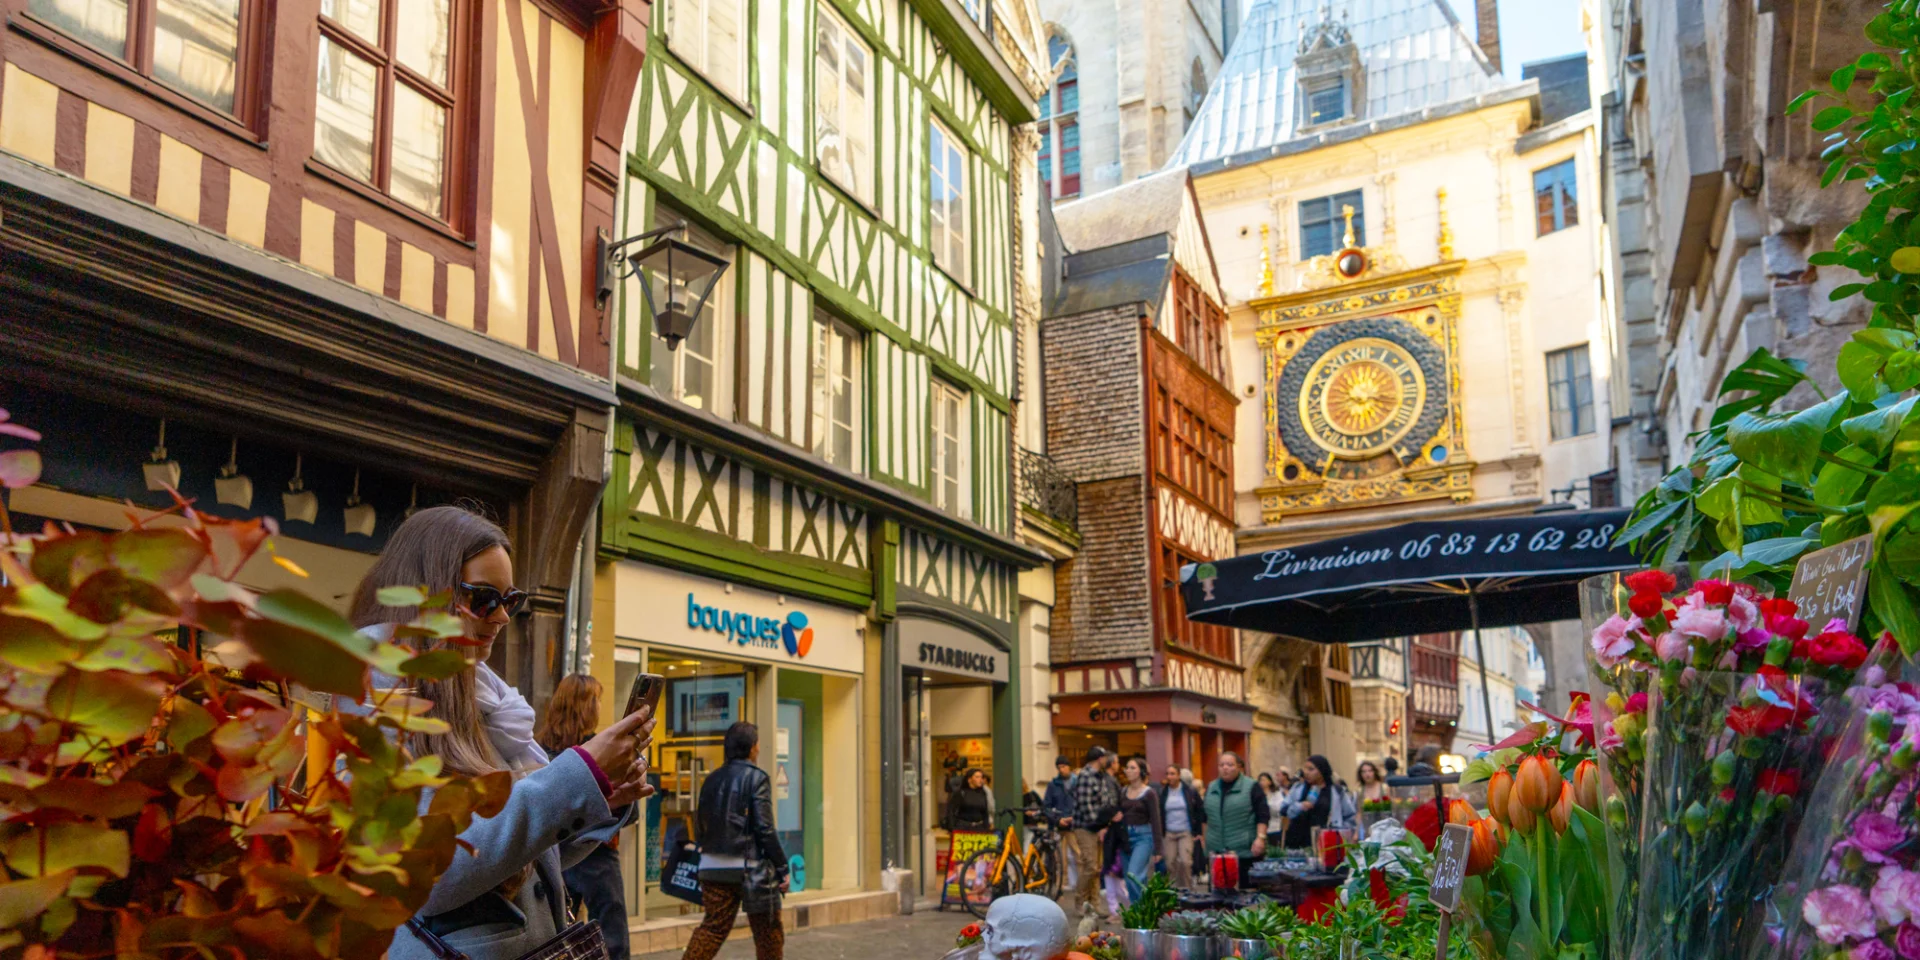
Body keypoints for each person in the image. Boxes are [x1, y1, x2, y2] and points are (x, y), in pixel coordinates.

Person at [352, 506, 651, 960]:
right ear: (429, 593)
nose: (502, 616)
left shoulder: (486, 700)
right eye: (484, 598)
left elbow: (521, 860)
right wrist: (578, 775)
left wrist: (602, 798)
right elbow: (425, 874)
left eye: (510, 600)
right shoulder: (375, 687)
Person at [534, 673, 629, 960]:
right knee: (612, 933)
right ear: (586, 705)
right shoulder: (597, 749)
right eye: (597, 699)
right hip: (595, 852)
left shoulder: (538, 747)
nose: (600, 706)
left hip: (552, 854)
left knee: (561, 935)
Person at [682, 722, 789, 960]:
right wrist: (782, 867)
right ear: (752, 748)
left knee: (712, 929)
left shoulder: (710, 780)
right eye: (758, 743)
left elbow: (700, 823)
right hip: (750, 870)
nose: (759, 748)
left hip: (712, 868)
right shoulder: (757, 778)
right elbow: (764, 828)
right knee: (768, 934)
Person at [1065, 747, 1121, 922]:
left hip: (1098, 826)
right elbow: (1085, 805)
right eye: (1104, 757)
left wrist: (1105, 822)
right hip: (1086, 827)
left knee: (1097, 867)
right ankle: (1080, 902)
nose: (1106, 760)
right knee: (1089, 865)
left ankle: (1095, 904)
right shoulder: (1086, 776)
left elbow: (1104, 800)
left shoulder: (1099, 776)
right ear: (1099, 758)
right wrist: (1102, 822)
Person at [1201, 752, 1268, 873]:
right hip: (1216, 852)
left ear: (1239, 767)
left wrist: (1260, 838)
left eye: (1230, 765)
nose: (1225, 768)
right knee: (1218, 889)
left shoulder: (1252, 786)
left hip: (1244, 851)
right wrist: (1205, 842)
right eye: (1221, 765)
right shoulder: (1211, 787)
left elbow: (1262, 815)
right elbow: (1205, 817)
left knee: (1245, 890)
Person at [1280, 755, 1358, 851]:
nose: (1306, 772)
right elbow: (1283, 809)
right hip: (1298, 843)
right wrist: (1299, 806)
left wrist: (1340, 834)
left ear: (1322, 771)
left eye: (1311, 769)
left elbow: (1350, 816)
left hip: (1327, 842)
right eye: (1305, 768)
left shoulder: (1336, 791)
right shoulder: (1298, 788)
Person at [1116, 758, 1162, 891]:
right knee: (1128, 878)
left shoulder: (1149, 793)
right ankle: (1137, 910)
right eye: (1127, 767)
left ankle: (1143, 909)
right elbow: (1118, 812)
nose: (1128, 771)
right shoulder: (1123, 791)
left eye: (1132, 768)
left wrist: (1158, 849)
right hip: (1125, 837)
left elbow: (1156, 820)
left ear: (1141, 772)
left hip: (1143, 837)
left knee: (1134, 875)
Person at [1157, 764, 1205, 891]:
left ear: (1179, 776)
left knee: (1185, 862)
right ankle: (1172, 891)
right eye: (1167, 774)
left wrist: (1199, 832)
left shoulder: (1190, 791)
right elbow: (1159, 812)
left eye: (1172, 774)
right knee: (1170, 863)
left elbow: (1200, 810)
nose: (1169, 777)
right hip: (1169, 832)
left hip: (1185, 831)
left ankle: (1189, 890)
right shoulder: (1163, 792)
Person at [948, 768, 994, 832]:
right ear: (969, 780)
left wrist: (987, 828)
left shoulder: (983, 793)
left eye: (981, 777)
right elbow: (951, 811)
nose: (980, 779)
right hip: (963, 828)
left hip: (979, 828)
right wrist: (952, 828)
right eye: (977, 777)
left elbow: (985, 813)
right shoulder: (961, 793)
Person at [1042, 756, 1076, 830]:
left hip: (1076, 827)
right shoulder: (1053, 785)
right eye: (1059, 768)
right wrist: (1057, 820)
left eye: (1063, 767)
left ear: (1069, 766)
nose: (1061, 770)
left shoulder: (1078, 782)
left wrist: (1075, 817)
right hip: (1059, 827)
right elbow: (1046, 807)